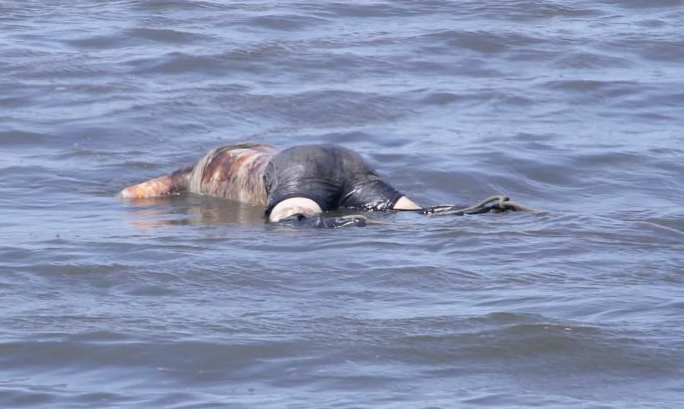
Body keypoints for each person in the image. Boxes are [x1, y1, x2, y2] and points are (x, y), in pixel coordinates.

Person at [120, 142, 528, 228]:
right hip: (340, 159)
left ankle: (336, 225)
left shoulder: (196, 171)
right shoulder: (256, 154)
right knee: (414, 216)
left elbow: (133, 195)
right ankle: (483, 209)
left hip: (298, 171)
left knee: (288, 222)